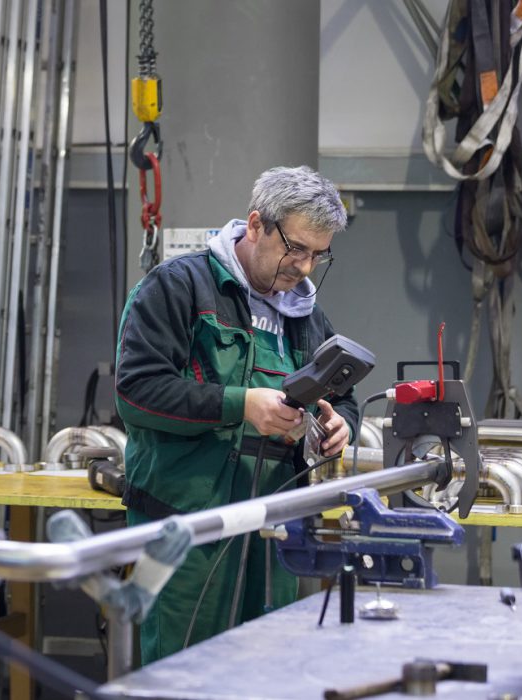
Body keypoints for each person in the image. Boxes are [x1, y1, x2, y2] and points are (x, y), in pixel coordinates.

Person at [113, 165, 359, 662]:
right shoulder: (179, 288)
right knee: (181, 675)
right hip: (186, 532)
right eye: (296, 249)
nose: (306, 268)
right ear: (255, 225)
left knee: (263, 676)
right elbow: (137, 392)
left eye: (318, 254)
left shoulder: (304, 315)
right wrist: (240, 405)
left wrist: (342, 426)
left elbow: (346, 395)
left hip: (273, 533)